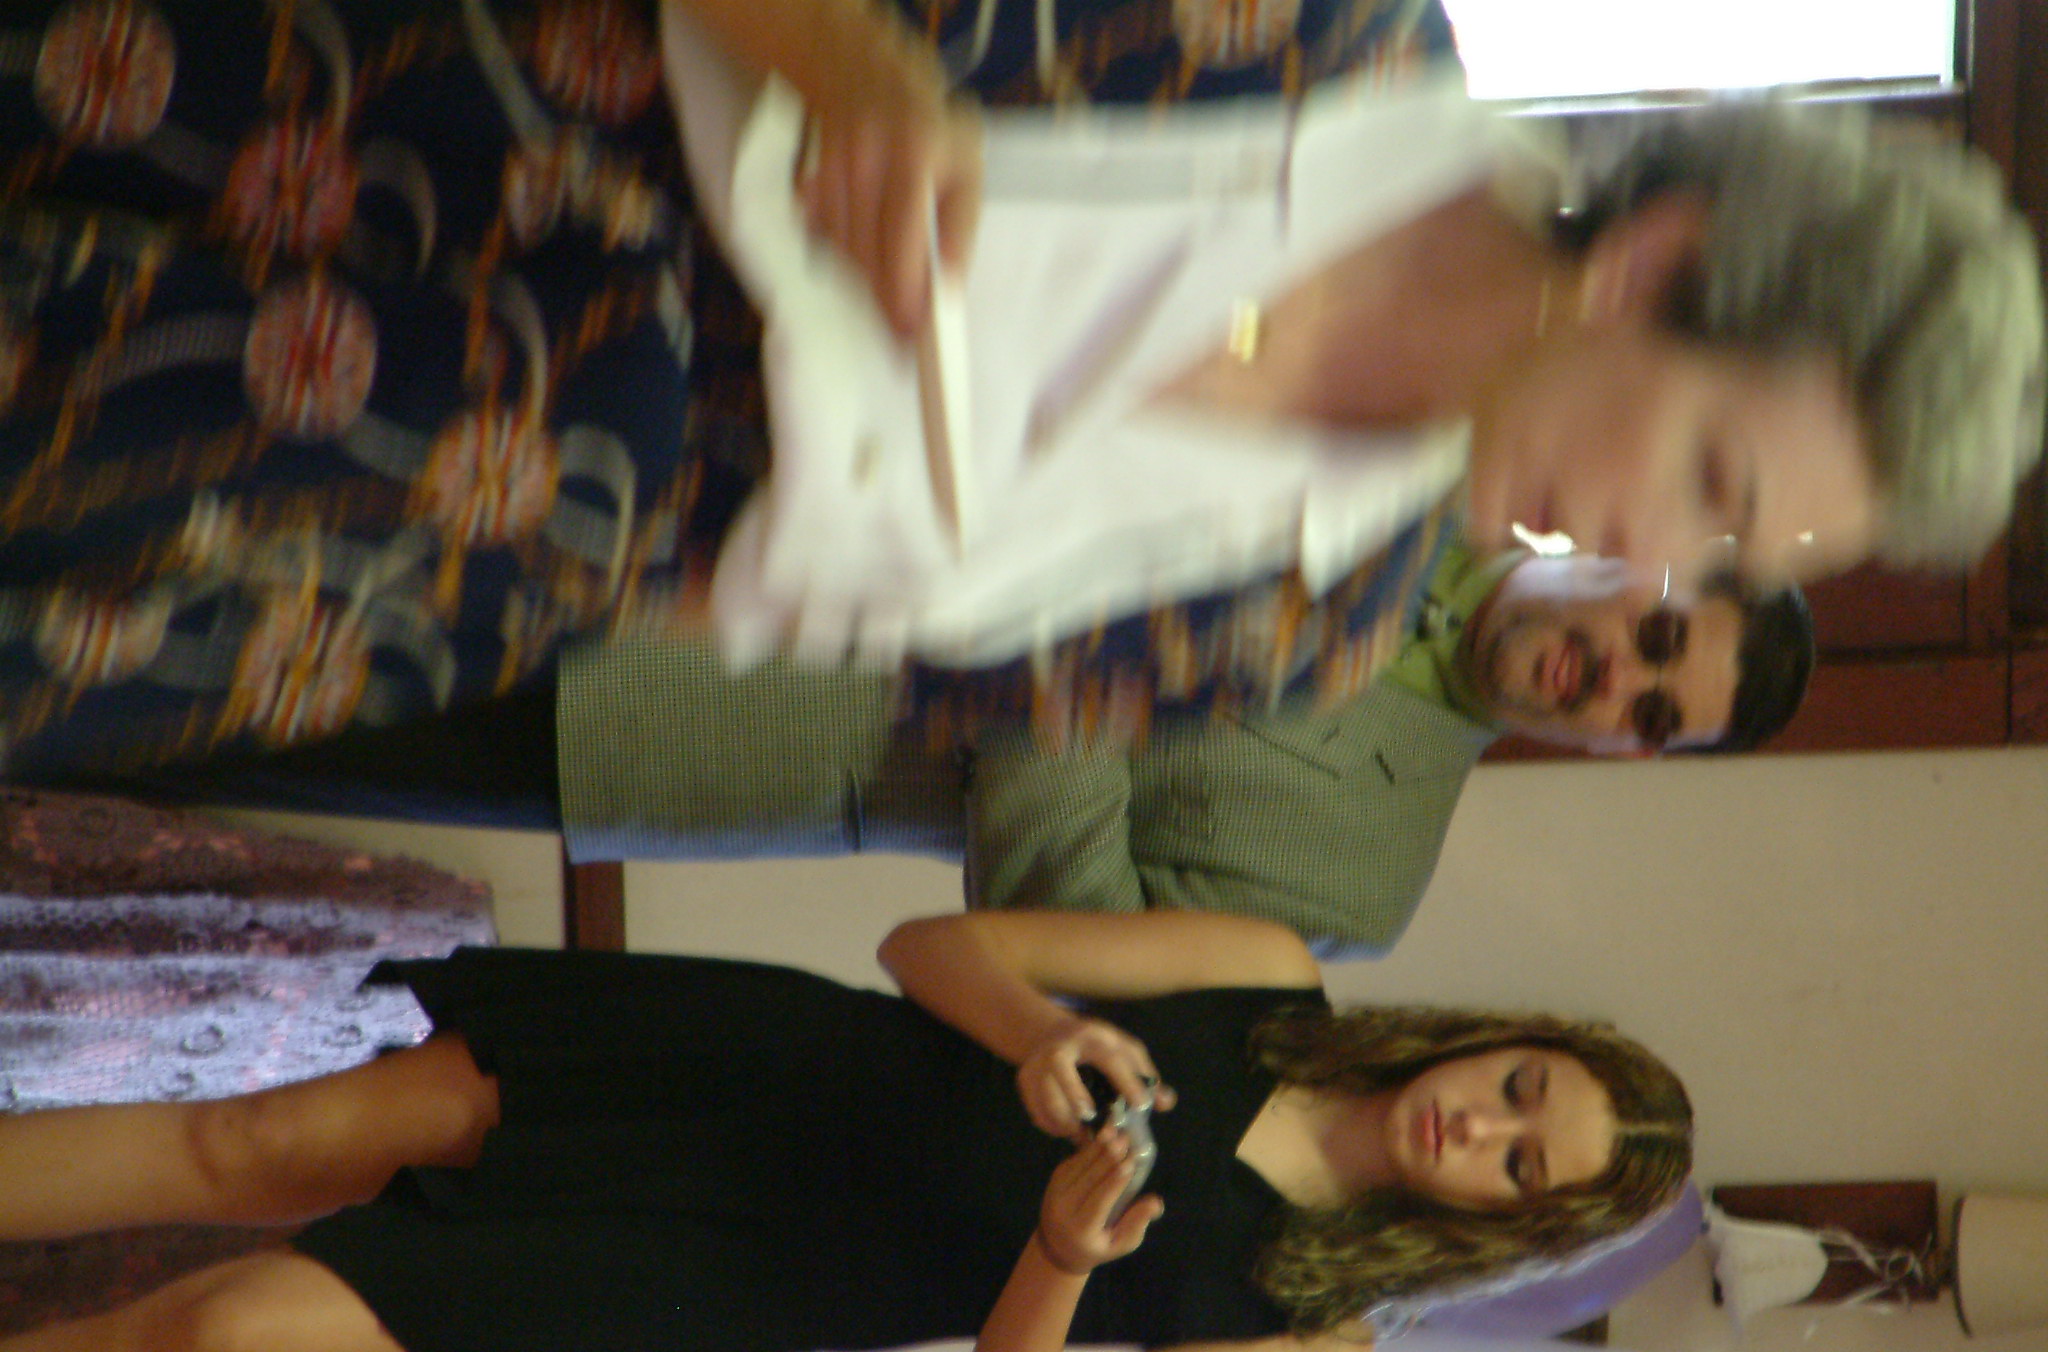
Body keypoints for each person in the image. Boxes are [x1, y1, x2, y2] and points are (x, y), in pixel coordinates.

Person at [0, 0, 2035, 779]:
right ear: (1659, 265)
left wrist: (546, 565)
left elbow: (809, 639)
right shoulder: (1312, 28)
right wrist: (851, 58)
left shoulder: (1309, 624)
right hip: (431, 138)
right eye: (1712, 478)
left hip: (390, 547)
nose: (1659, 561)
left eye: (1726, 561)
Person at [0, 907, 1693, 1352]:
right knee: (246, 1146)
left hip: (740, 1270)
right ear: (1504, 1042)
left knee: (223, 1335)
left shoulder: (1316, 1339)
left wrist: (1056, 1259)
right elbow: (926, 946)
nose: (1482, 1132)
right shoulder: (1266, 975)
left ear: (1508, 1229)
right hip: (749, 1064)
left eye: (1522, 1169)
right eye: (1519, 1092)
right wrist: (1033, 1032)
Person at [73, 546, 1815, 955]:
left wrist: (1083, 662)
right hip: (693, 494)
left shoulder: (1362, 885)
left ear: (1628, 754)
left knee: (152, 715)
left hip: (697, 733)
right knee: (185, 515)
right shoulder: (1400, 434)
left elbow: (1067, 934)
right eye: (1658, 632)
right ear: (1636, 550)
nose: (1614, 677)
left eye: (1652, 713)